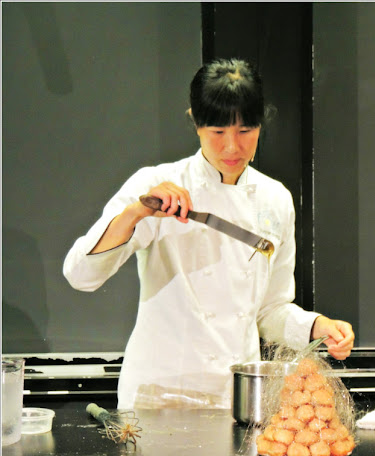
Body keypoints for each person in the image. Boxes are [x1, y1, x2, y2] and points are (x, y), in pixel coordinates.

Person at [63, 58, 354, 409]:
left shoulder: (276, 199)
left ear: (261, 126)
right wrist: (137, 213)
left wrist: (318, 326)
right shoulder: (156, 185)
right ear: (196, 123)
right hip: (158, 394)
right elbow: (80, 275)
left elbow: (270, 309)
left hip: (235, 397)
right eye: (218, 132)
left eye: (245, 131)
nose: (232, 147)